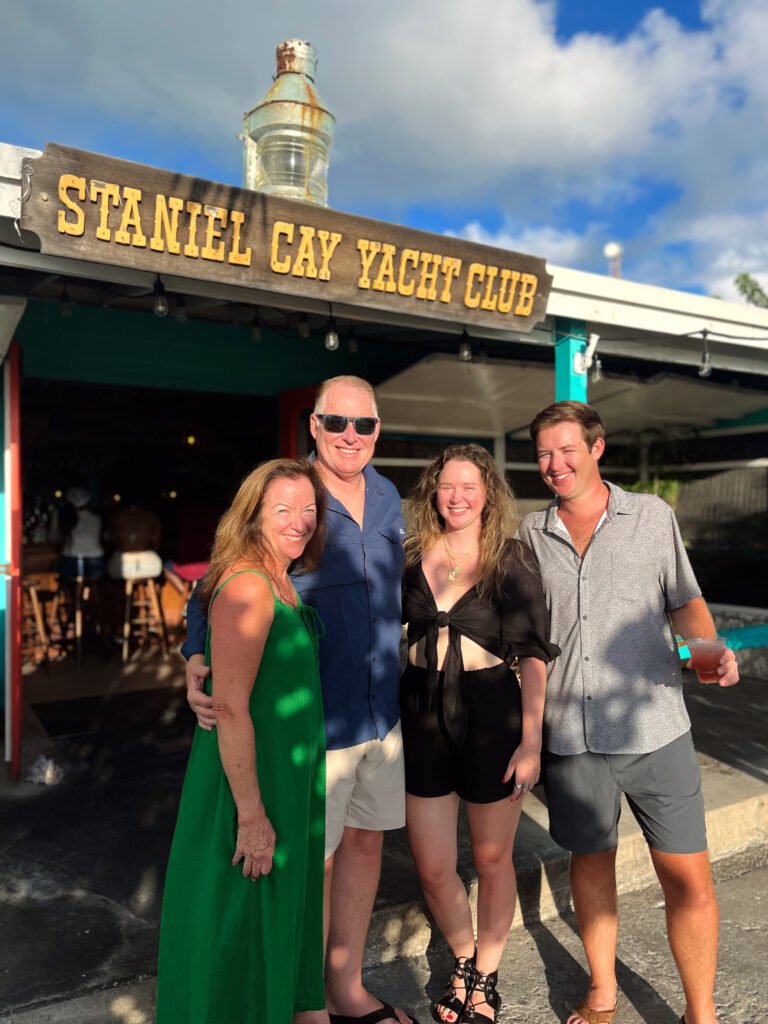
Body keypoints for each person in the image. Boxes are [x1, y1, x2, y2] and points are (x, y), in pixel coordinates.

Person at [185, 376, 417, 1024]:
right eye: (336, 423)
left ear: (377, 431)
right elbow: (219, 580)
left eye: (364, 426)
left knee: (366, 847)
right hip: (319, 721)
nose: (351, 436)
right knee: (313, 863)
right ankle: (299, 998)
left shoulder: (389, 496)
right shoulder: (292, 496)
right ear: (313, 426)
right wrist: (195, 656)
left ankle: (343, 989)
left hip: (382, 713)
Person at [518, 401, 740, 1024]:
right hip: (572, 733)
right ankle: (603, 992)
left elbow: (686, 601)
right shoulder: (529, 534)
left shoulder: (651, 517)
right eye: (543, 453)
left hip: (655, 728)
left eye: (566, 449)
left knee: (688, 879)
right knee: (592, 864)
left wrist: (708, 656)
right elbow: (525, 636)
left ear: (596, 448)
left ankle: (702, 1014)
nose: (554, 464)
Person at [156, 458, 327, 1024]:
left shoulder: (280, 576)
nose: (299, 521)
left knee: (269, 916)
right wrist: (252, 817)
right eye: (282, 509)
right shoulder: (250, 586)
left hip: (282, 772)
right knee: (235, 923)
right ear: (252, 516)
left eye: (308, 510)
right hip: (249, 781)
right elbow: (229, 709)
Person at [401, 444, 559, 1024]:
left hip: (492, 712)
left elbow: (535, 656)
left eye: (469, 486)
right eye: (447, 486)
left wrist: (531, 741)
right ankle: (464, 962)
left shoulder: (509, 558)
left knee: (492, 860)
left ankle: (485, 980)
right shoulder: (413, 554)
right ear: (433, 492)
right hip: (420, 710)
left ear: (488, 492)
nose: (458, 496)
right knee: (434, 866)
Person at [58, 485, 105, 578]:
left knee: (68, 584)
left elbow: (55, 537)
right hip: (95, 557)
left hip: (70, 558)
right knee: (94, 585)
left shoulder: (65, 518)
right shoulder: (97, 519)